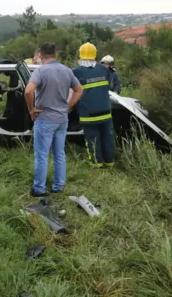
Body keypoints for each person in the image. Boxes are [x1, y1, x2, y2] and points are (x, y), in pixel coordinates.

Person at [25, 43, 84, 197]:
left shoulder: (41, 71)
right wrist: (68, 106)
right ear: (56, 55)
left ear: (40, 55)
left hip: (45, 119)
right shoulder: (66, 70)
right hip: (62, 119)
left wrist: (31, 109)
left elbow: (28, 91)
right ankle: (58, 186)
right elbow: (79, 90)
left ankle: (39, 189)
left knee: (42, 155)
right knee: (59, 154)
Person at [74, 44, 115, 168]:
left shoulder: (76, 71)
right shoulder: (104, 69)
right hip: (106, 111)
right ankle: (110, 162)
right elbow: (108, 87)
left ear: (80, 55)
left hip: (89, 114)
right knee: (108, 138)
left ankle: (97, 164)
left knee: (92, 139)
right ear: (96, 55)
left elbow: (71, 91)